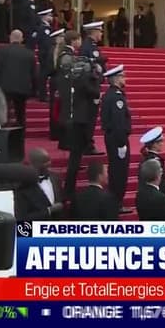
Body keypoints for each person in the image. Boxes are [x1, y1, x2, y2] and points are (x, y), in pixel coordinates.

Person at [62, 52, 101, 201]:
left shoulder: (73, 77)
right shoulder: (85, 80)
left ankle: (69, 190)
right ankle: (69, 191)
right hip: (79, 123)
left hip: (73, 121)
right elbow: (95, 91)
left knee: (75, 159)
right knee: (74, 160)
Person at [100, 65, 132, 214]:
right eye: (123, 76)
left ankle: (115, 202)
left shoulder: (110, 94)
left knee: (116, 170)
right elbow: (118, 122)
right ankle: (116, 203)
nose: (125, 79)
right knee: (119, 172)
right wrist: (121, 144)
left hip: (112, 137)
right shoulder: (116, 97)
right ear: (116, 79)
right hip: (117, 139)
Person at [0, 29, 35, 127]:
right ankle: (20, 135)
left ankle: (4, 135)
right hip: (22, 88)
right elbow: (34, 74)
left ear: (10, 38)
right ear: (22, 39)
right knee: (20, 114)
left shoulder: (1, 51)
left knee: (4, 112)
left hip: (5, 87)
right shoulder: (29, 53)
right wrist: (34, 89)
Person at [14, 148, 65, 221]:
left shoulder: (55, 178)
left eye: (49, 160)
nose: (49, 163)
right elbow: (22, 218)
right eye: (44, 162)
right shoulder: (23, 186)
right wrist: (49, 210)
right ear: (33, 164)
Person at [80, 21, 106, 155]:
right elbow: (89, 68)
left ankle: (87, 143)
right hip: (90, 87)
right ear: (94, 32)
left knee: (91, 117)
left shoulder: (91, 46)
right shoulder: (88, 47)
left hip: (93, 85)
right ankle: (87, 145)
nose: (101, 33)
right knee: (89, 117)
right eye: (100, 31)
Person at [138, 126, 165, 195]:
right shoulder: (154, 161)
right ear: (155, 144)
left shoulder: (146, 158)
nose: (163, 144)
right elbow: (159, 182)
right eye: (161, 141)